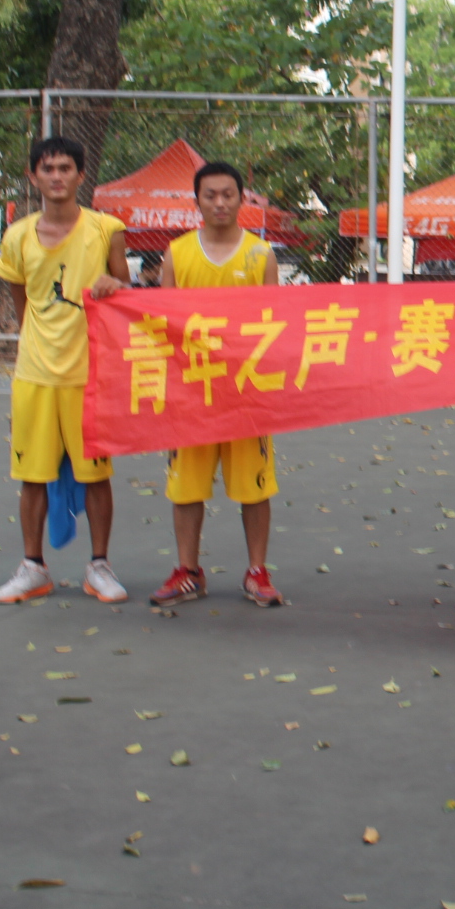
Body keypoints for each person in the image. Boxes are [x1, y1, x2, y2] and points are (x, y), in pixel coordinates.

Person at [0, 135, 132, 605]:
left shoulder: (107, 228)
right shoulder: (16, 236)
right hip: (35, 375)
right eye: (47, 168)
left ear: (80, 174)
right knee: (32, 474)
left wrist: (114, 282)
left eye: (65, 168)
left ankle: (100, 566)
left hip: (90, 376)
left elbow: (124, 291)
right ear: (33, 176)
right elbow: (22, 303)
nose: (56, 176)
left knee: (95, 475)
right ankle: (33, 567)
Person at [149, 161, 285, 609]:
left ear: (242, 199)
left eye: (228, 194)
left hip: (246, 392)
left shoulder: (261, 255)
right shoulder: (177, 253)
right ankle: (188, 571)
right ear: (198, 201)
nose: (220, 202)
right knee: (185, 486)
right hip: (192, 393)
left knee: (255, 486)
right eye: (211, 195)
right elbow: (162, 322)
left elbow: (274, 325)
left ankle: (257, 572)